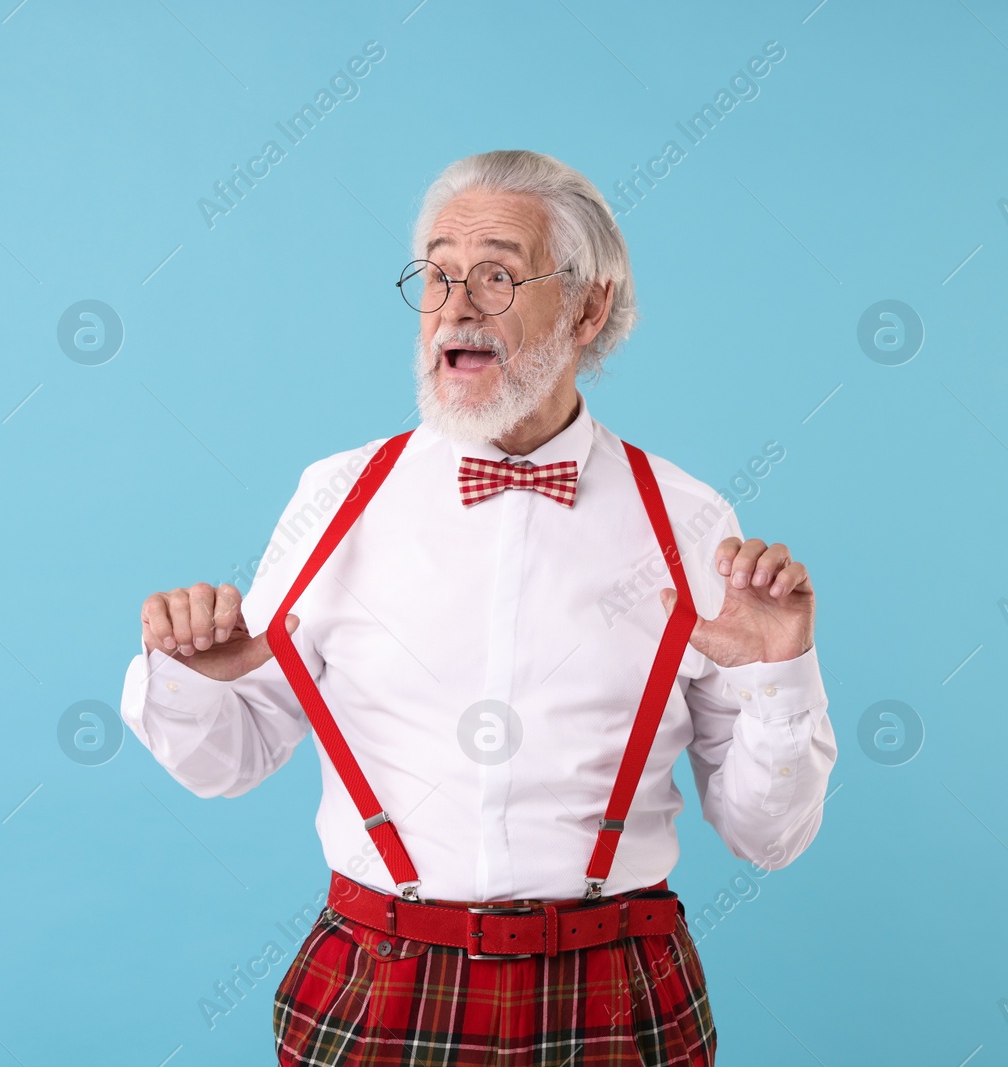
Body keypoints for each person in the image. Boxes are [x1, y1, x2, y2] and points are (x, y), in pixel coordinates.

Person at [120, 149, 837, 1066]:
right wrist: (190, 675)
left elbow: (766, 838)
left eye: (497, 274)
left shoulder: (691, 523)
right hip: (381, 982)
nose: (455, 306)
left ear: (588, 306)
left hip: (616, 991)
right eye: (437, 274)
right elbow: (231, 761)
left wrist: (780, 673)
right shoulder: (336, 498)